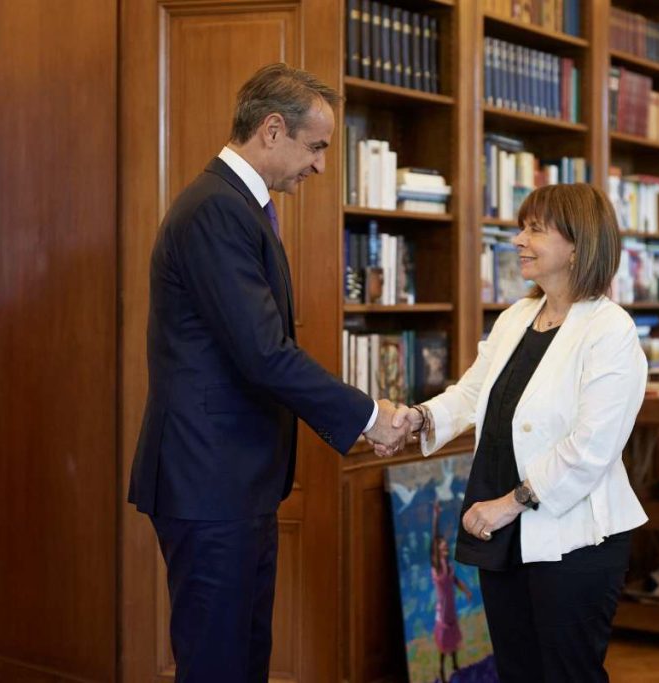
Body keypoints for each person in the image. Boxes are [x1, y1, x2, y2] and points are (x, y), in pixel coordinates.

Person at [128, 63, 408, 682]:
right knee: (218, 666)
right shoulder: (216, 210)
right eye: (317, 147)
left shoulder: (238, 207)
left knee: (244, 660)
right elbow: (263, 353)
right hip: (209, 481)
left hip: (235, 482)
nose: (320, 166)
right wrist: (368, 416)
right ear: (273, 129)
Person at [389, 183, 649, 682]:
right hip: (505, 533)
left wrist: (511, 502)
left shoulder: (610, 329)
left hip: (574, 538)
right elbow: (472, 393)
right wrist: (417, 418)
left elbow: (591, 446)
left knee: (568, 674)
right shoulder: (516, 317)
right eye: (521, 228)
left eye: (534, 230)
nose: (518, 241)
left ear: (577, 245)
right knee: (516, 672)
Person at [430, 501, 471, 683]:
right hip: (443, 612)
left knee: (453, 639)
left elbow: (455, 580)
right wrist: (436, 517)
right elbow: (434, 538)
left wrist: (466, 590)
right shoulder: (438, 568)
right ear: (436, 550)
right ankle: (441, 668)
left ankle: (454, 664)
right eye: (442, 546)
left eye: (446, 545)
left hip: (451, 610)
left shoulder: (448, 565)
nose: (445, 547)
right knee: (444, 643)